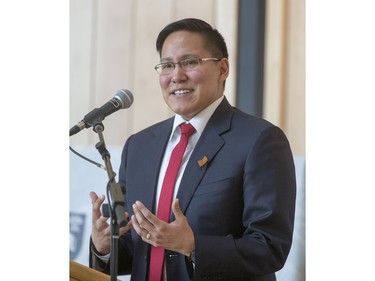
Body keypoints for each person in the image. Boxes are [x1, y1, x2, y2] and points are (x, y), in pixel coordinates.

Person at [89, 18, 296, 281]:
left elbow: (270, 247)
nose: (177, 76)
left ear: (222, 69)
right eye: (167, 65)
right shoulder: (139, 146)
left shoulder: (260, 140)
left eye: (190, 62)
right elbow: (138, 250)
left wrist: (193, 245)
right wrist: (105, 247)